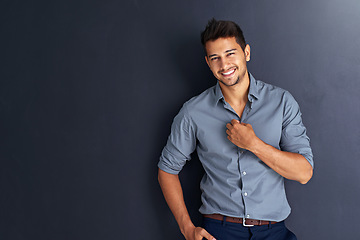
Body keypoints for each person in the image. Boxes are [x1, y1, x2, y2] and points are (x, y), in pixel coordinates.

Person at [157, 18, 313, 240]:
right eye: (215, 58)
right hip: (219, 231)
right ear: (208, 63)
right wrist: (187, 228)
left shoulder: (282, 102)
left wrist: (254, 145)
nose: (224, 65)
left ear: (246, 52)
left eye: (231, 54)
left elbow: (304, 173)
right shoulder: (193, 112)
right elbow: (167, 169)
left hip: (274, 231)